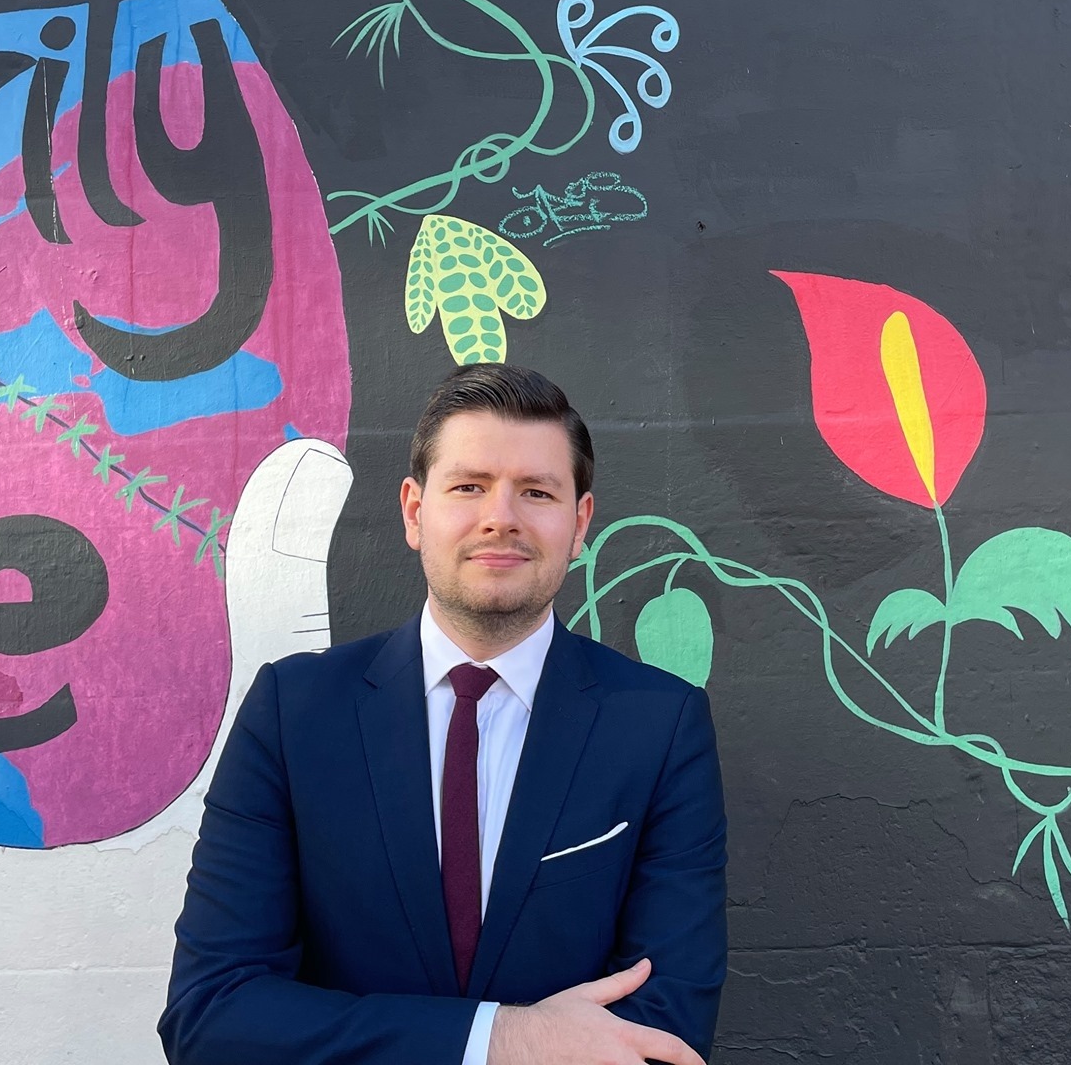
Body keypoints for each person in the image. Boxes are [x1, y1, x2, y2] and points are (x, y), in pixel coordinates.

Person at [159, 364, 727, 1065]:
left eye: (537, 492)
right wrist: (503, 1039)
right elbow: (212, 1015)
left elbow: (661, 1036)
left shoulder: (660, 726)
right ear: (413, 511)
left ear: (579, 522)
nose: (501, 517)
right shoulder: (293, 715)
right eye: (469, 486)